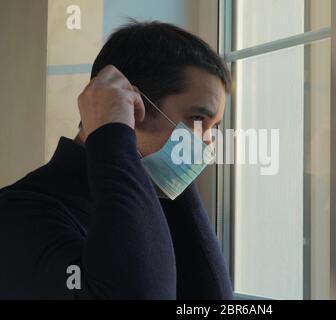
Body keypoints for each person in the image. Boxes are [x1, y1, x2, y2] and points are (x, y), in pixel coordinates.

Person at [0, 20, 233, 300]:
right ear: (131, 106)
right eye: (197, 120)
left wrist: (170, 184)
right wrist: (111, 132)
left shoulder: (149, 210)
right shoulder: (17, 214)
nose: (207, 143)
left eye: (212, 129)